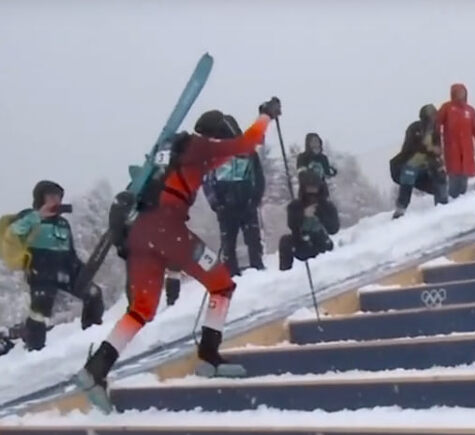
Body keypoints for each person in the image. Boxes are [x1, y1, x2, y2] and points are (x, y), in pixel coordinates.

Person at [75, 97, 281, 412]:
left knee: (142, 309)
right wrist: (265, 116)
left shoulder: (173, 152)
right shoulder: (201, 146)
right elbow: (247, 144)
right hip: (166, 229)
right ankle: (209, 356)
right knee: (222, 284)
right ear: (218, 133)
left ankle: (95, 370)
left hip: (139, 233)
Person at [2, 180, 104, 351]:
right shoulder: (29, 217)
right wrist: (37, 216)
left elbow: (70, 250)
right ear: (40, 198)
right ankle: (34, 349)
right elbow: (12, 233)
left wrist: (82, 271)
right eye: (50, 196)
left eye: (58, 197)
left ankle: (91, 335)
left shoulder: (63, 223)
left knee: (93, 293)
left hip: (66, 268)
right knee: (40, 307)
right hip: (41, 270)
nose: (55, 200)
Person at [200, 113, 266, 276]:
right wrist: (216, 204)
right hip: (226, 206)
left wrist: (255, 199)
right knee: (228, 242)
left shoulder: (248, 152)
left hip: (246, 202)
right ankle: (231, 272)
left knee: (253, 239)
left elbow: (258, 177)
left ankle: (257, 268)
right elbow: (207, 181)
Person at [390, 104, 448, 217]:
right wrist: (427, 147)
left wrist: (434, 151)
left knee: (439, 172)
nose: (434, 117)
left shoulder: (435, 131)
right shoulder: (415, 128)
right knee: (409, 173)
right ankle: (401, 208)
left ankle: (442, 204)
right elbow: (409, 148)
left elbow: (437, 149)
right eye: (431, 115)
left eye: (435, 115)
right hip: (409, 163)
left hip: (426, 163)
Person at [279, 170, 339, 271]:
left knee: (323, 243)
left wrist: (320, 214)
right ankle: (286, 273)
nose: (312, 191)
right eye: (308, 188)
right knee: (285, 241)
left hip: (321, 241)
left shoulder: (327, 206)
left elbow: (333, 228)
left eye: (314, 187)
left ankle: (325, 268)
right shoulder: (295, 206)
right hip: (301, 242)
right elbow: (291, 224)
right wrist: (303, 215)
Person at [437, 83, 475, 200]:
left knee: (464, 173)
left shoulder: (470, 110)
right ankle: (453, 197)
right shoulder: (447, 108)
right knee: (454, 173)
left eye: (462, 92)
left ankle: (462, 198)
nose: (460, 95)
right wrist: (436, 140)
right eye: (458, 92)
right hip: (452, 147)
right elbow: (437, 123)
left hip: (466, 147)